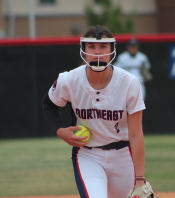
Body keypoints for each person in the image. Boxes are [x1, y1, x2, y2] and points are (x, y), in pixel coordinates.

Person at [42, 26, 153, 198]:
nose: (98, 52)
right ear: (84, 51)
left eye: (103, 47)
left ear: (112, 50)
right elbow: (48, 104)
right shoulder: (69, 79)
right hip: (88, 154)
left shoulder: (129, 82)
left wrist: (140, 178)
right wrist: (60, 131)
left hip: (123, 155)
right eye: (92, 47)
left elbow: (136, 134)